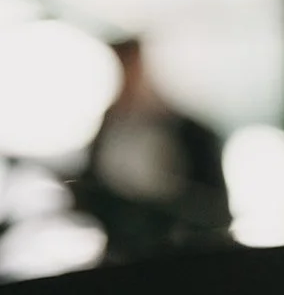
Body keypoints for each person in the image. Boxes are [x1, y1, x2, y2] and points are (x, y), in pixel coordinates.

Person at [71, 37, 230, 264]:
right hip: (122, 256)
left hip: (179, 257)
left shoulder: (192, 133)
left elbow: (214, 210)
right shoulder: (108, 129)